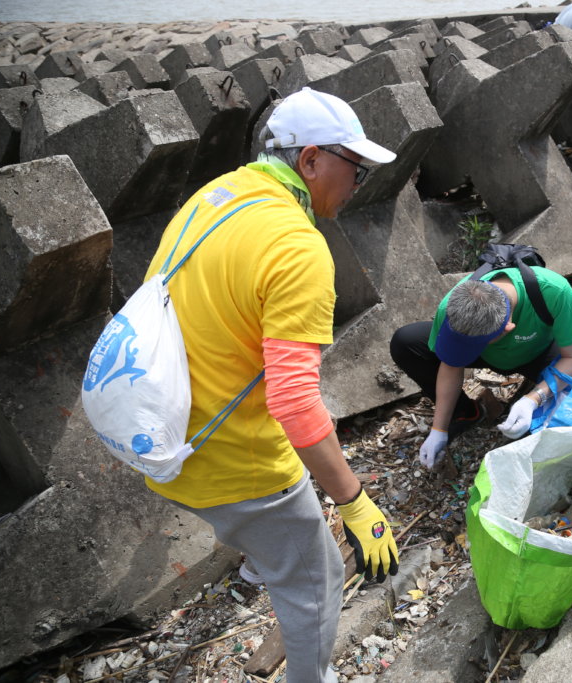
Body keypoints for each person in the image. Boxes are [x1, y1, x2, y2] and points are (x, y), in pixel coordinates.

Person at [141, 87, 399, 682]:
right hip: (231, 459)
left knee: (278, 546)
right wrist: (355, 502)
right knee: (321, 578)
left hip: (158, 426)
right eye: (353, 169)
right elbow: (293, 400)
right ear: (310, 161)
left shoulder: (217, 195)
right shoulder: (298, 248)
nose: (357, 185)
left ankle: (263, 555)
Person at [390, 268, 572, 468]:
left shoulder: (553, 291)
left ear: (508, 328)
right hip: (487, 356)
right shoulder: (452, 306)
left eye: (472, 344)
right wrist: (438, 428)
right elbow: (451, 365)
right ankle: (465, 412)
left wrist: (533, 399)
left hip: (538, 352)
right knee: (406, 342)